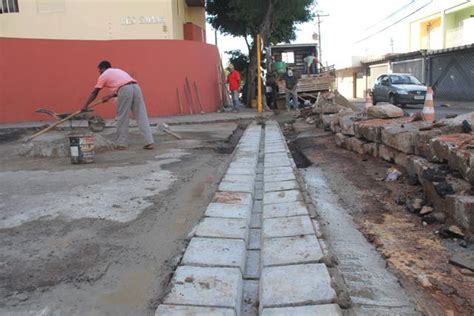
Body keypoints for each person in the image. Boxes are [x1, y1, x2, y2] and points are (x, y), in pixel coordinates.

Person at [82, 60, 154, 150]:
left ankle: (122, 143)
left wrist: (85, 106)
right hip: (136, 87)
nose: (99, 73)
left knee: (122, 117)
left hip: (125, 89)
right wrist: (109, 96)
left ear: (103, 68)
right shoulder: (118, 71)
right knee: (141, 115)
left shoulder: (104, 75)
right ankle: (149, 142)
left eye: (99, 71)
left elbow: (94, 92)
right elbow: (124, 86)